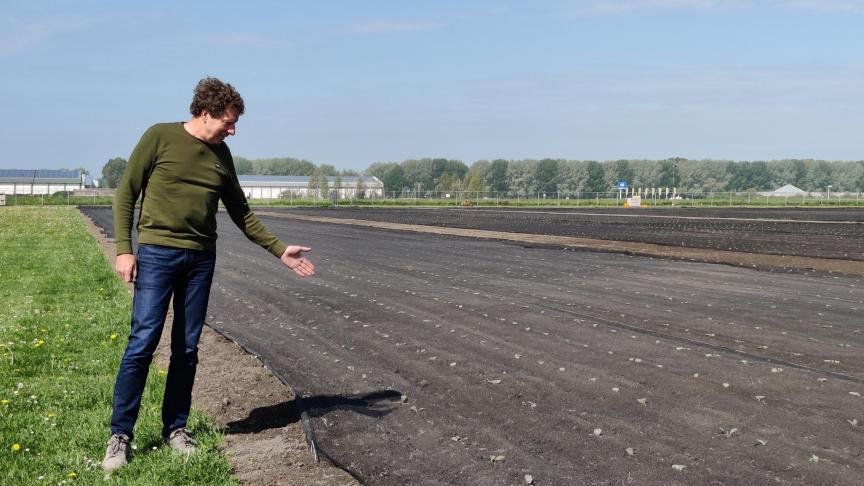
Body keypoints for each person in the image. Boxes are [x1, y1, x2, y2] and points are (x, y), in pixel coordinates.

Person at [103, 77, 315, 473]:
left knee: (186, 347)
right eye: (229, 123)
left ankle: (176, 429)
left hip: (200, 260)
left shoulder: (223, 155)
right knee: (143, 341)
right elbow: (126, 194)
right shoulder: (159, 137)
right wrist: (123, 250)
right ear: (205, 113)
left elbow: (241, 212)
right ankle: (120, 436)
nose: (233, 131)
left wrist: (278, 250)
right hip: (157, 253)